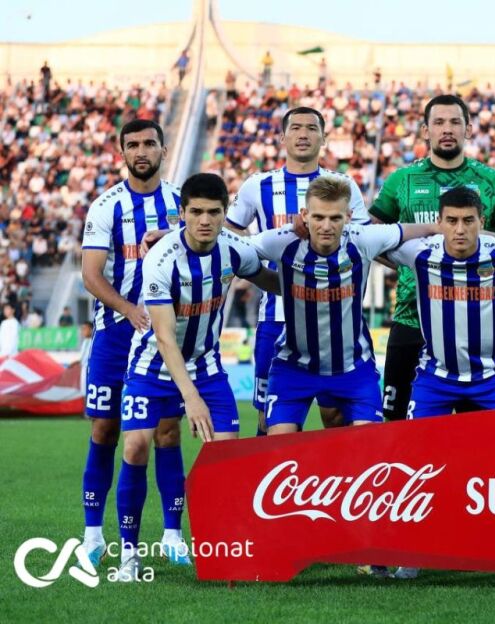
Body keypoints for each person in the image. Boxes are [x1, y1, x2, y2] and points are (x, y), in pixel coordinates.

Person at [387, 186, 495, 581]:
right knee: (414, 462)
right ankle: (412, 551)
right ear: (440, 222)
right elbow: (372, 237)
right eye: (451, 221)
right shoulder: (420, 252)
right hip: (435, 378)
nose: (460, 229)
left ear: (481, 222)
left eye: (468, 221)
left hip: (494, 378)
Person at [115, 173, 278, 581]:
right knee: (136, 446)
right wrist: (191, 397)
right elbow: (165, 338)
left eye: (214, 212)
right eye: (197, 212)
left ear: (225, 213)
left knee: (227, 458)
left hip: (207, 367)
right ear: (182, 213)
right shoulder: (160, 259)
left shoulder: (234, 249)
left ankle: (223, 552)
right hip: (152, 367)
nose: (205, 220)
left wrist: (311, 280)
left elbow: (269, 278)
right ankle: (129, 555)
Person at [370, 94, 495, 422]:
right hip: (412, 319)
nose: (447, 129)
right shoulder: (401, 180)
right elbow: (369, 236)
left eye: (455, 122)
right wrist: (410, 265)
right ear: (425, 130)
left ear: (468, 128)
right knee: (398, 430)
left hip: (477, 330)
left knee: (476, 438)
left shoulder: (490, 181)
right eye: (438, 122)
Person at [250, 175, 438, 434]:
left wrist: (451, 229)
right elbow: (236, 251)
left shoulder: (363, 238)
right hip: (294, 368)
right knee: (278, 446)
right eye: (318, 217)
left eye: (335, 218)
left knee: (369, 446)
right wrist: (262, 277)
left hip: (353, 369)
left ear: (348, 216)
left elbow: (416, 229)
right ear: (304, 215)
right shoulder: (282, 240)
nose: (326, 226)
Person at [224, 107, 369, 436]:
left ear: (324, 138)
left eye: (311, 128)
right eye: (296, 128)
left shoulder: (344, 185)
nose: (303, 134)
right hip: (276, 318)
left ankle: (333, 472)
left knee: (335, 417)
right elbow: (229, 235)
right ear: (282, 137)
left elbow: (364, 241)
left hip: (334, 322)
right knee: (269, 421)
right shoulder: (257, 185)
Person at [79, 119, 185, 568]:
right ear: (122, 152)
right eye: (133, 145)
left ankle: (172, 535)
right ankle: (92, 533)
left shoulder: (181, 203)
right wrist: (127, 309)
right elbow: (91, 275)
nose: (142, 151)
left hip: (164, 336)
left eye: (149, 143)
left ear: (163, 149)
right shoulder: (106, 206)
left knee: (166, 431)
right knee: (104, 429)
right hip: (115, 334)